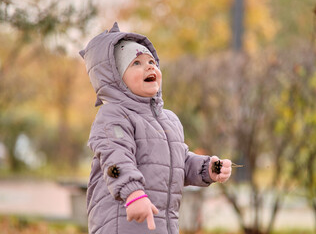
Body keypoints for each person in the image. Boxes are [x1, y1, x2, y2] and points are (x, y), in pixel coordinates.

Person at [79, 22, 232, 234]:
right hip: (122, 223)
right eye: (136, 63)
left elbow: (180, 162)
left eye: (152, 61)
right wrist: (133, 193)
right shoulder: (114, 115)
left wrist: (206, 168)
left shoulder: (168, 120)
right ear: (115, 79)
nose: (149, 67)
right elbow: (115, 158)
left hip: (161, 225)